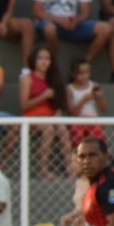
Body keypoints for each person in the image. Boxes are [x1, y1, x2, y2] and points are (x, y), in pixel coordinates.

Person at [19, 44, 69, 179]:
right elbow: (24, 105)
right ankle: (43, 170)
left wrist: (57, 113)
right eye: (40, 58)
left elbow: (59, 104)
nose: (43, 62)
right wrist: (43, 96)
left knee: (63, 129)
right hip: (32, 117)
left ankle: (69, 168)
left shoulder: (54, 79)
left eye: (47, 58)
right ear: (34, 60)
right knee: (49, 130)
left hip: (50, 116)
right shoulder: (27, 78)